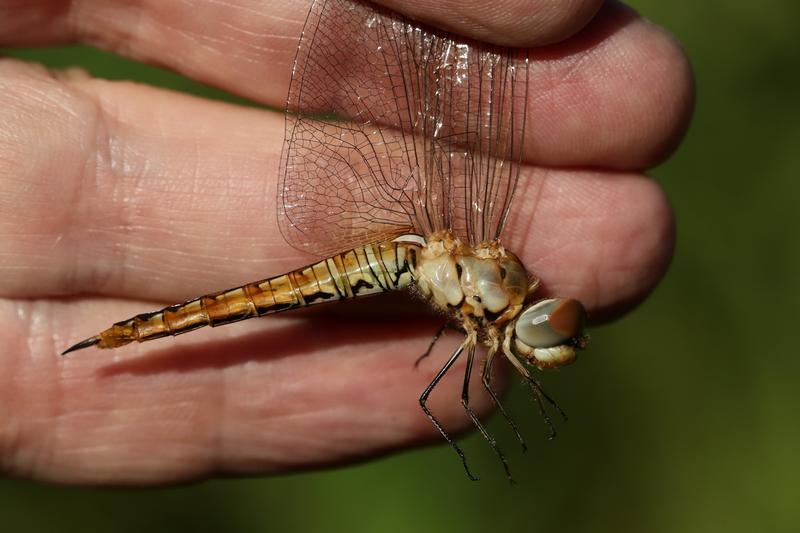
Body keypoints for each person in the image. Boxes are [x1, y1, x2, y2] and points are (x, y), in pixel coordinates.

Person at [0, 0, 693, 484]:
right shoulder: (489, 314)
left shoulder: (488, 303)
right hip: (402, 254)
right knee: (243, 309)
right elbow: (439, 391)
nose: (545, 337)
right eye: (548, 332)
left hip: (410, 255)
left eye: (548, 333)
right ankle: (136, 331)